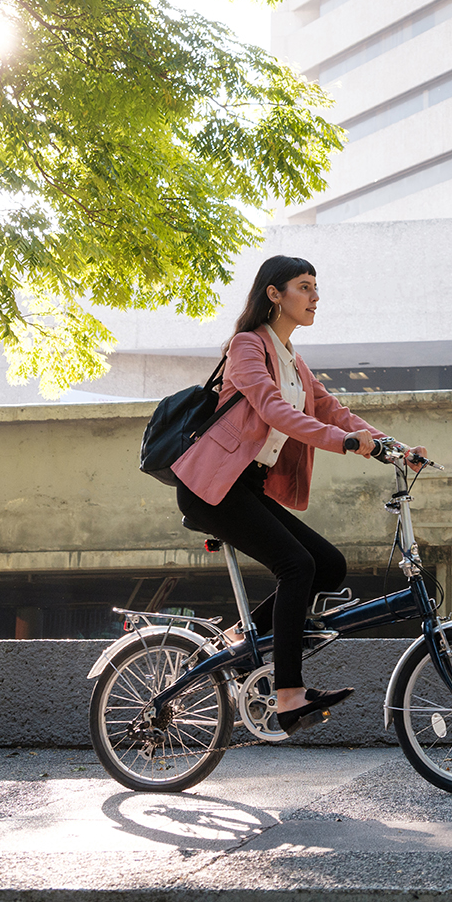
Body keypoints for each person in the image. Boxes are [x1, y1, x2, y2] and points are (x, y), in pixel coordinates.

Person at [172, 255, 423, 733]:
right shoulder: (247, 347)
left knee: (327, 566)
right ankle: (288, 694)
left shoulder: (293, 360)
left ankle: (238, 642)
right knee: (297, 565)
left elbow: (333, 410)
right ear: (275, 293)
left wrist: (395, 448)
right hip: (211, 486)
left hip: (245, 487)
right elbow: (270, 409)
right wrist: (342, 444)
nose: (315, 297)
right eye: (304, 287)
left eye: (315, 288)